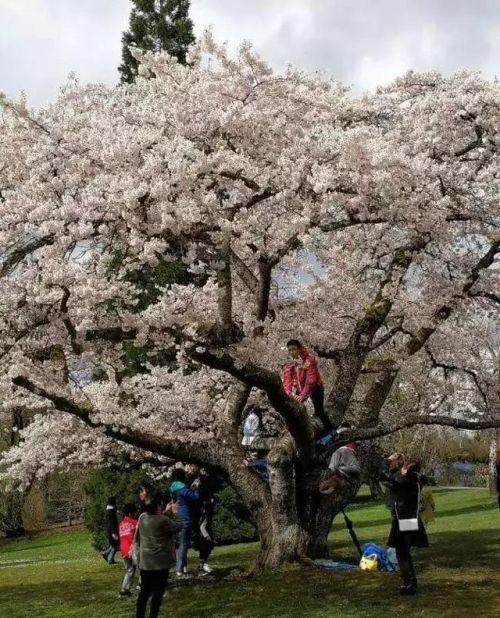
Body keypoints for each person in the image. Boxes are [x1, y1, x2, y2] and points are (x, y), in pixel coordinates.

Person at [381, 454, 429, 596]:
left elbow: (382, 476)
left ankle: (408, 584)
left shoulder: (403, 483)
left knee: (401, 553)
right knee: (405, 552)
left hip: (402, 519)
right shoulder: (416, 481)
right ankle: (412, 582)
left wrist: (388, 460)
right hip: (411, 518)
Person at [133, 496, 181, 618]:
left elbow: (155, 519)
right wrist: (175, 513)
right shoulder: (163, 520)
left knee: (144, 591)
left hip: (146, 562)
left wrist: (165, 511)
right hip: (160, 562)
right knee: (158, 592)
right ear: (157, 507)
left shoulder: (142, 518)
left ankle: (140, 615)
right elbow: (177, 526)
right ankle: (153, 615)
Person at [282, 339, 333, 434]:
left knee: (319, 412)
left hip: (315, 388)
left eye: (294, 349)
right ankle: (300, 432)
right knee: (294, 410)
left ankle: (331, 432)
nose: (292, 352)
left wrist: (302, 395)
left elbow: (311, 380)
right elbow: (287, 379)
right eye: (290, 350)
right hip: (299, 388)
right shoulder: (289, 362)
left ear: (300, 349)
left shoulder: (309, 358)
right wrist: (288, 393)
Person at [168, 468, 202, 579]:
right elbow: (195, 498)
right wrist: (196, 488)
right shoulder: (182, 488)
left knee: (180, 543)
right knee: (183, 543)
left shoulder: (173, 487)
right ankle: (179, 570)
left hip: (176, 516)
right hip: (185, 516)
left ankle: (183, 567)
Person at [118, 503, 139, 597]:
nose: (135, 514)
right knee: (141, 567)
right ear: (130, 513)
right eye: (134, 512)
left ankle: (124, 589)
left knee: (129, 569)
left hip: (123, 549)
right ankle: (143, 585)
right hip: (132, 548)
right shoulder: (135, 522)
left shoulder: (121, 523)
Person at [102, 496, 119, 565]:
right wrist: (113, 532)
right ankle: (110, 559)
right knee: (115, 545)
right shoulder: (111, 511)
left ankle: (106, 553)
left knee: (113, 544)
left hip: (109, 529)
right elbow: (112, 522)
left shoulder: (108, 510)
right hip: (112, 530)